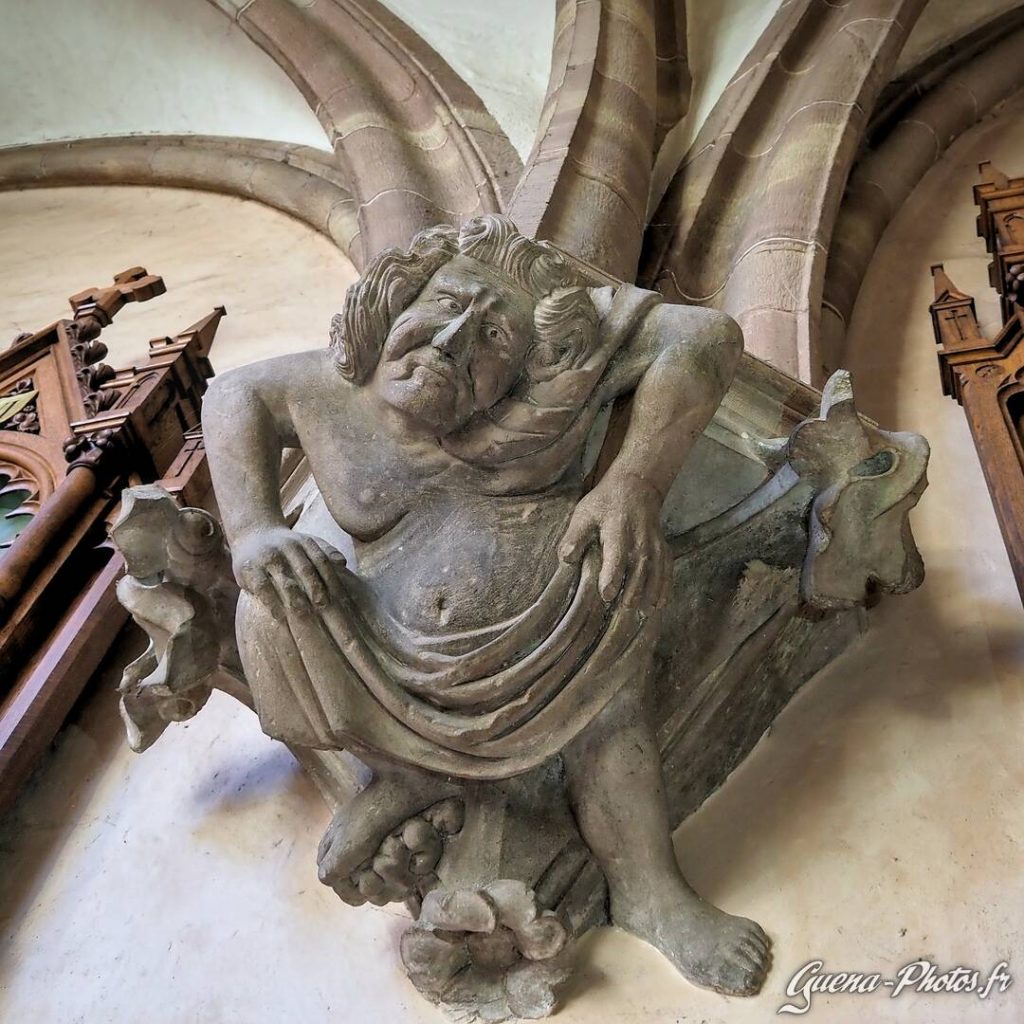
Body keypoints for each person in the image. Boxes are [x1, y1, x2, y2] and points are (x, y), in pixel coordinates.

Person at [203, 215, 770, 995]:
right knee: (266, 608)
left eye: (495, 338)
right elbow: (232, 394)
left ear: (530, 366)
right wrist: (254, 531)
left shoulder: (552, 403)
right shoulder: (324, 391)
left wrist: (633, 481)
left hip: (548, 634)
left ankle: (650, 891)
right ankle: (412, 771)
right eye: (444, 305)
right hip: (375, 659)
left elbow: (706, 337)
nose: (454, 339)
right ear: (395, 304)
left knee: (610, 648)